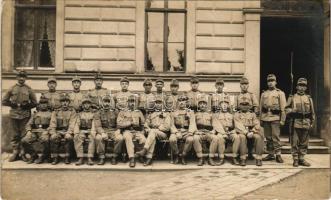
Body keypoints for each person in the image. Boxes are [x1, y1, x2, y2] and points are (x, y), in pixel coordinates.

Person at [2, 70, 37, 162]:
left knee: (23, 135)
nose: (21, 78)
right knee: (15, 135)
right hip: (14, 115)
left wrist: (26, 106)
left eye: (23, 77)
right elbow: (4, 101)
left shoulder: (29, 89)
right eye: (20, 76)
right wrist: (13, 104)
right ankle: (15, 152)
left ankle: (23, 153)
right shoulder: (11, 88)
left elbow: (35, 103)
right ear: (17, 77)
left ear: (25, 78)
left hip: (25, 116)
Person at [135, 96, 175, 166]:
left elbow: (167, 127)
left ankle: (144, 150)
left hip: (163, 134)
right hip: (152, 134)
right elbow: (146, 125)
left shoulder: (166, 114)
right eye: (156, 103)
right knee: (152, 134)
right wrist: (148, 129)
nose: (158, 104)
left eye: (160, 103)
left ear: (163, 104)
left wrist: (157, 128)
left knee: (152, 132)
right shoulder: (151, 114)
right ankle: (149, 158)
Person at [286, 78, 315, 167]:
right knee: (295, 142)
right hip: (296, 122)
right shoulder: (292, 97)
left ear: (306, 88)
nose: (302, 88)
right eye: (300, 86)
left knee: (304, 142)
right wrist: (291, 110)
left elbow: (312, 112)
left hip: (306, 122)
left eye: (304, 86)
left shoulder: (309, 98)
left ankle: (301, 159)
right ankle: (295, 159)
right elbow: (285, 109)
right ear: (297, 87)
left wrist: (312, 122)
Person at [261, 74, 286, 163]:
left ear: (275, 82)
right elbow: (261, 108)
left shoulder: (280, 93)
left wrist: (282, 120)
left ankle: (278, 154)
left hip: (275, 118)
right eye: (269, 81)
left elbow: (283, 108)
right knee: (268, 137)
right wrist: (261, 119)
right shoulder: (264, 93)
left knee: (275, 137)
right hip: (266, 118)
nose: (270, 83)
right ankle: (271, 154)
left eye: (272, 81)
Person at [93, 95, 123, 165]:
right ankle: (101, 157)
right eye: (105, 102)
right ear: (102, 102)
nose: (106, 104)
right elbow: (98, 126)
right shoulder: (98, 113)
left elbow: (119, 122)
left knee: (120, 138)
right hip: (104, 130)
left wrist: (118, 130)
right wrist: (102, 133)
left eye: (108, 102)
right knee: (98, 138)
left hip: (113, 131)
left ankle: (114, 156)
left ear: (110, 103)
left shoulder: (115, 111)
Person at [21, 95, 52, 164]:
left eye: (45, 104)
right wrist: (29, 131)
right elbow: (29, 124)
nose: (43, 105)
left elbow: (53, 125)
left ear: (47, 105)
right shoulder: (35, 114)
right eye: (42, 104)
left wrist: (47, 131)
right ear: (39, 105)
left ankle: (44, 155)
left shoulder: (51, 114)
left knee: (46, 140)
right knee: (24, 140)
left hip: (45, 132)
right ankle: (33, 154)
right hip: (35, 132)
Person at [117, 95, 146, 168]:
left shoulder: (138, 112)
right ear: (127, 102)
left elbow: (143, 124)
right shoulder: (123, 112)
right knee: (128, 138)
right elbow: (119, 124)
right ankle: (131, 158)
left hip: (137, 131)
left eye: (133, 101)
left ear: (135, 102)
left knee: (143, 139)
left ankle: (140, 155)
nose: (132, 103)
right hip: (127, 131)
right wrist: (129, 123)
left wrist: (142, 132)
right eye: (130, 101)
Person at [212, 96, 242, 165]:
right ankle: (221, 158)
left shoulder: (232, 115)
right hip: (221, 132)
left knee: (237, 137)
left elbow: (236, 125)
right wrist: (223, 133)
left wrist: (234, 130)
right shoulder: (216, 115)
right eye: (222, 103)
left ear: (228, 105)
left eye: (226, 103)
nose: (224, 105)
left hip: (230, 132)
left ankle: (234, 157)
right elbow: (216, 126)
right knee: (220, 138)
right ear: (219, 105)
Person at [234, 98, 264, 166]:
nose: (244, 106)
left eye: (246, 105)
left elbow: (257, 123)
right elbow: (238, 125)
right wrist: (246, 133)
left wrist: (253, 131)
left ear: (249, 106)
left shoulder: (252, 114)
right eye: (242, 105)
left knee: (258, 137)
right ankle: (243, 158)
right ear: (239, 106)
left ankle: (259, 159)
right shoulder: (237, 114)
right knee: (242, 137)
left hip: (251, 131)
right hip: (241, 132)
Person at [236, 77, 260, 160]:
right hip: (241, 120)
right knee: (241, 137)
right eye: (242, 84)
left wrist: (254, 117)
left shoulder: (251, 95)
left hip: (250, 119)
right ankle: (241, 154)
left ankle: (250, 153)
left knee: (252, 138)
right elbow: (235, 108)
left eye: (246, 84)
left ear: (248, 85)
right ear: (240, 85)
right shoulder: (237, 96)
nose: (244, 86)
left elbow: (256, 106)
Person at [49, 93, 76, 165]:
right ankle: (55, 157)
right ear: (60, 102)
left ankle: (67, 157)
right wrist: (53, 133)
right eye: (63, 101)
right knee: (53, 137)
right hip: (58, 131)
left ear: (69, 102)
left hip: (68, 131)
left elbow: (72, 124)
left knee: (69, 138)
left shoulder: (72, 111)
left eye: (66, 101)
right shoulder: (56, 111)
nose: (65, 103)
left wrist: (69, 132)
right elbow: (53, 123)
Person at [170, 95, 197, 165]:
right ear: (177, 102)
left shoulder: (190, 112)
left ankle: (183, 155)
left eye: (183, 101)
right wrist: (176, 132)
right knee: (172, 139)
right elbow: (171, 124)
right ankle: (177, 154)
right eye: (179, 101)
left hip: (186, 131)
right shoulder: (173, 112)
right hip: (177, 130)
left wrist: (190, 132)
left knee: (190, 139)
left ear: (186, 102)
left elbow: (192, 123)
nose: (181, 102)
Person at [193, 95, 218, 166]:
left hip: (208, 132)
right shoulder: (195, 115)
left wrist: (213, 131)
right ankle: (200, 158)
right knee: (195, 138)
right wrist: (195, 131)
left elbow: (214, 124)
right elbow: (193, 125)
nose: (202, 105)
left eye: (204, 104)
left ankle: (211, 158)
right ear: (198, 105)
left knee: (215, 138)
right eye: (200, 104)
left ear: (206, 105)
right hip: (199, 132)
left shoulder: (210, 115)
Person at [74, 95, 96, 165]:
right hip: (82, 130)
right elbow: (77, 124)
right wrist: (76, 133)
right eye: (85, 104)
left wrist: (92, 132)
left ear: (90, 104)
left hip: (90, 130)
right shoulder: (79, 114)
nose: (86, 105)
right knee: (78, 138)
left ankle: (90, 157)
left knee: (92, 138)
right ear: (83, 105)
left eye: (88, 103)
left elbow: (94, 124)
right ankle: (80, 157)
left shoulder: (93, 114)